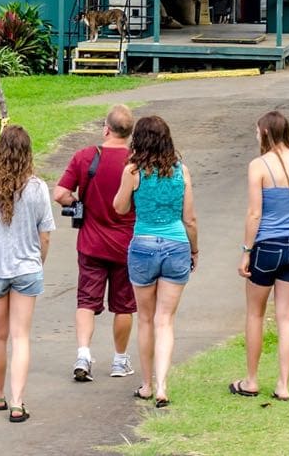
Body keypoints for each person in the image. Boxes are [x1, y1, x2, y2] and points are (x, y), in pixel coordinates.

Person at [0, 124, 55, 423]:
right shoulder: (37, 188)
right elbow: (45, 236)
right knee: (21, 336)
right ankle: (18, 402)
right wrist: (38, 261)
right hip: (27, 267)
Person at [112, 115, 197, 409]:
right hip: (176, 245)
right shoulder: (181, 172)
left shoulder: (133, 171)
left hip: (144, 245)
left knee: (146, 319)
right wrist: (194, 251)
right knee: (166, 321)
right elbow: (190, 218)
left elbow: (120, 208)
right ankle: (162, 385)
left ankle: (147, 384)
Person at [230, 110, 289, 402]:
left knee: (255, 313)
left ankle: (251, 380)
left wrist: (246, 252)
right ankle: (283, 384)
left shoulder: (259, 166)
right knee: (286, 317)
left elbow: (255, 213)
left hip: (267, 247)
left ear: (265, 132)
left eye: (257, 131)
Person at [52, 104, 137, 382]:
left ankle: (83, 354)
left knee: (86, 301)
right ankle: (120, 360)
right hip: (126, 243)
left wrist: (78, 202)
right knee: (124, 305)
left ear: (106, 129)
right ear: (129, 133)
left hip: (91, 242)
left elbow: (60, 193)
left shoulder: (86, 157)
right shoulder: (136, 162)